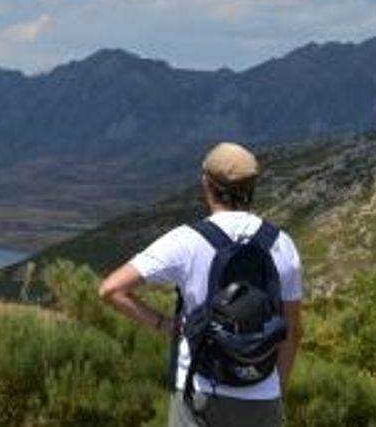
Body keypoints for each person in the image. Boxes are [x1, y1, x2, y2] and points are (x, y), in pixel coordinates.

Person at [98, 142, 303, 427]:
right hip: (263, 395)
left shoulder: (187, 240)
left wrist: (165, 324)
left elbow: (111, 290)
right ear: (252, 187)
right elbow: (292, 331)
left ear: (206, 183)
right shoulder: (282, 244)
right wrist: (274, 390)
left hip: (201, 390)